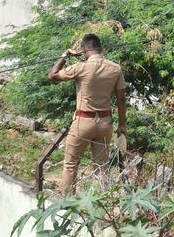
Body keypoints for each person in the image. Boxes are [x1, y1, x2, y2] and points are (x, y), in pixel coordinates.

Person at [47, 33, 128, 193]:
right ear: (101, 49)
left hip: (83, 122)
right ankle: (101, 209)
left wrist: (65, 56)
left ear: (85, 50)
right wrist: (122, 124)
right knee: (101, 167)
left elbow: (53, 76)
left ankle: (67, 205)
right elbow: (121, 99)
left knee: (71, 164)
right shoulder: (115, 68)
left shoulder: (80, 67)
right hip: (105, 124)